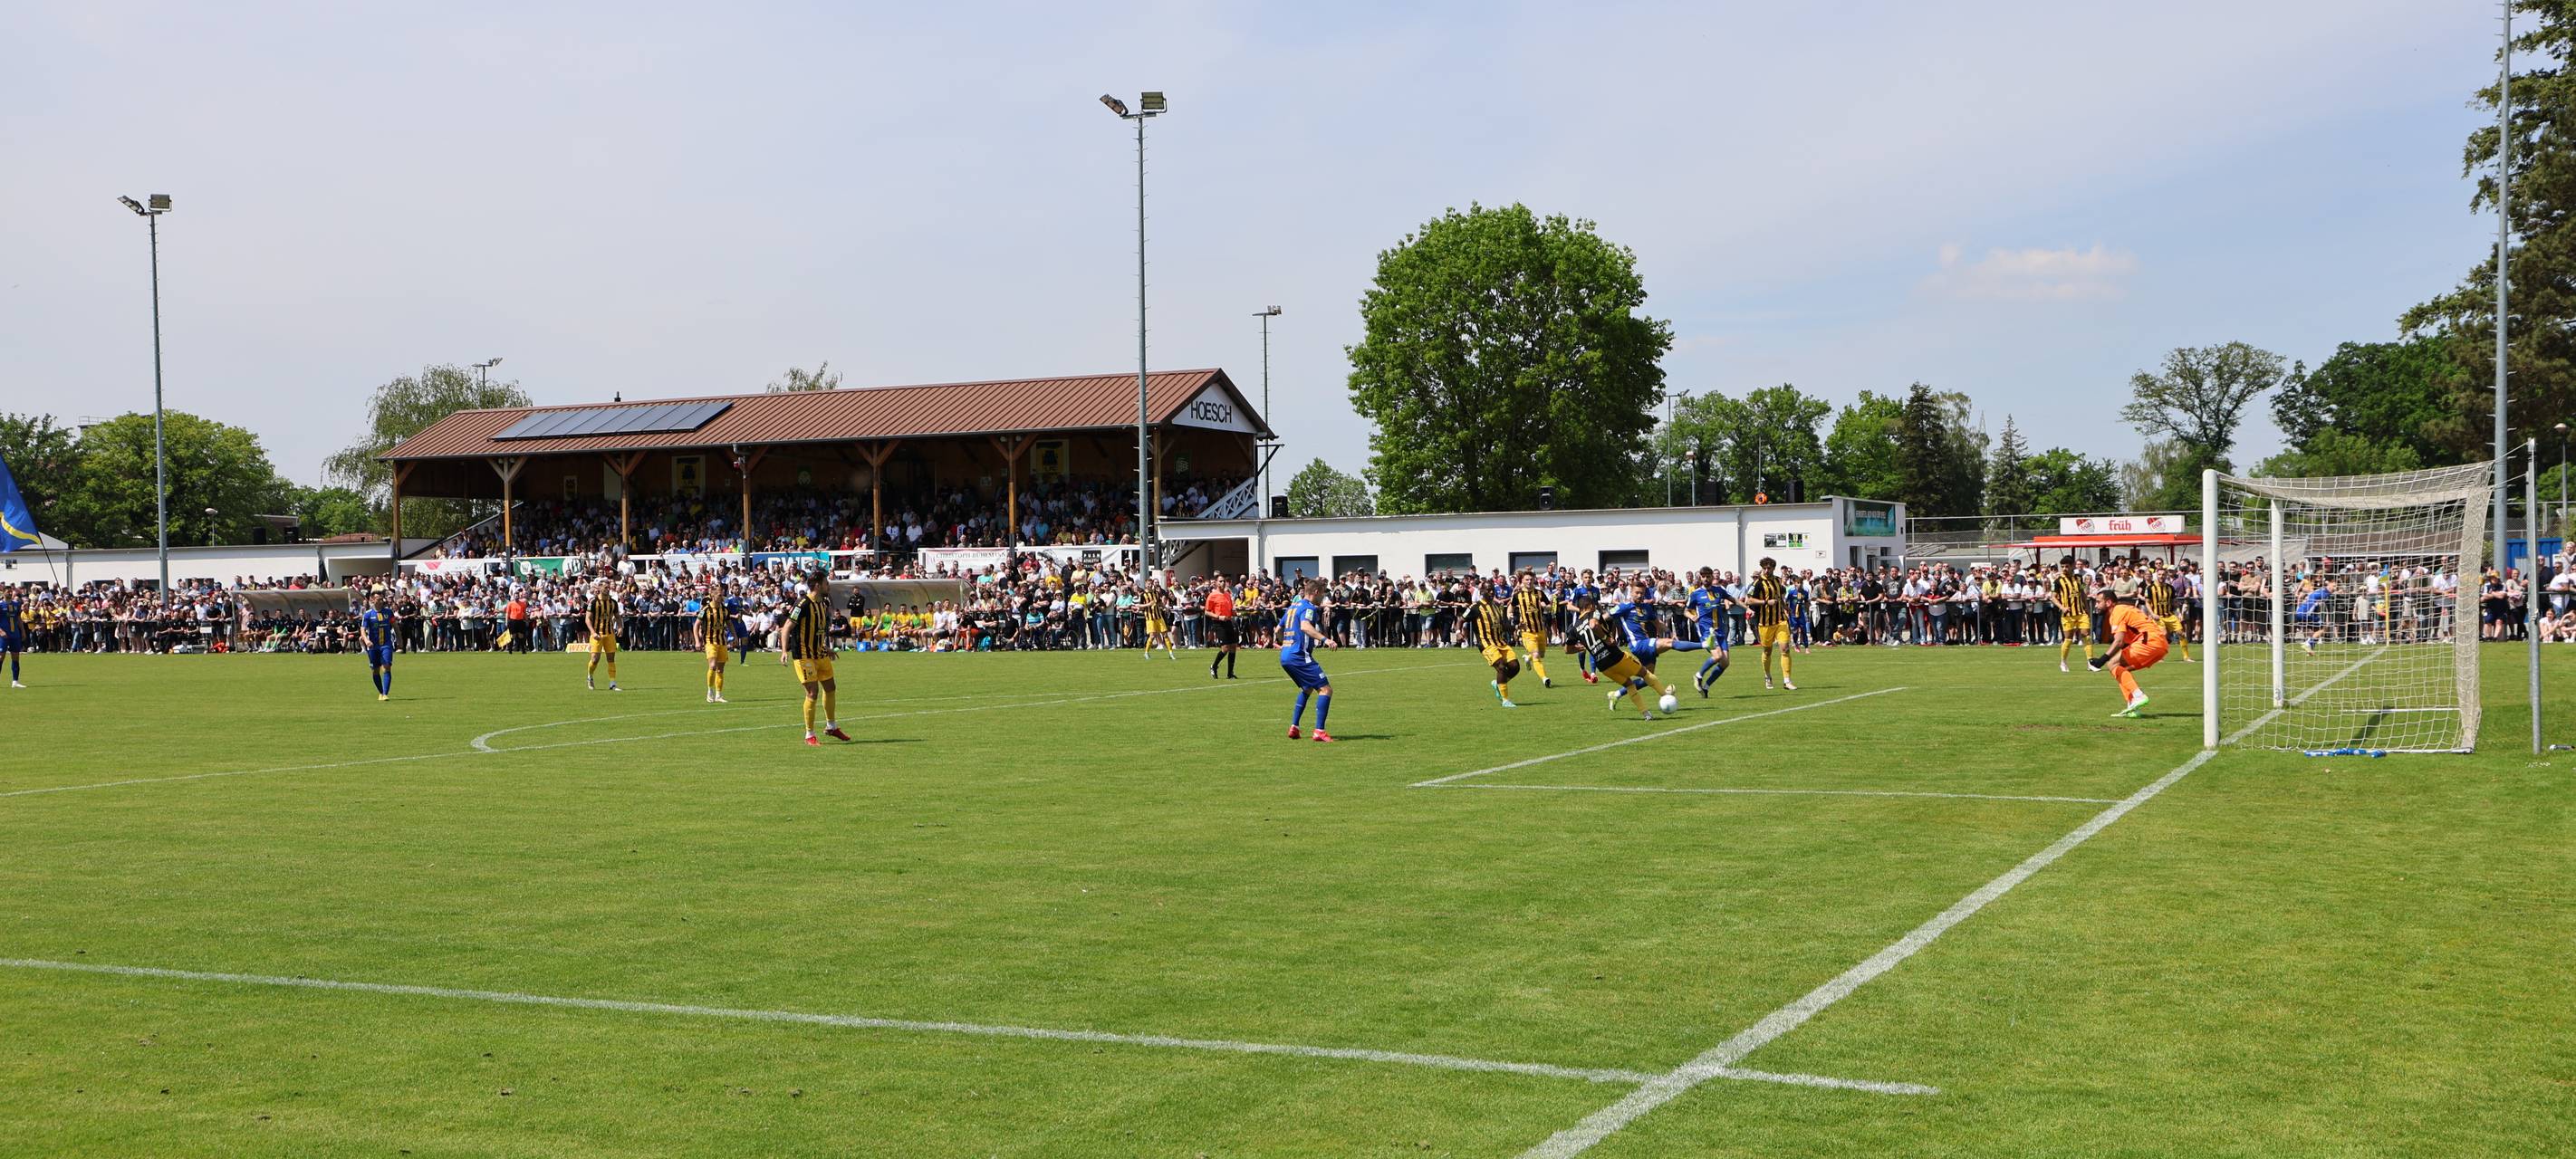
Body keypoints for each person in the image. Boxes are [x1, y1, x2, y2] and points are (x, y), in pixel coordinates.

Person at [780, 567, 851, 745]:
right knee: (812, 692)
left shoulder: (823, 603)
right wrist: (784, 651)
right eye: (826, 583)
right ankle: (809, 735)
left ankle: (831, 727)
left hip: (820, 652)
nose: (829, 586)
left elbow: (817, 630)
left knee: (831, 687)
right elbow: (786, 627)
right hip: (804, 655)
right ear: (818, 585)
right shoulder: (802, 604)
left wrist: (826, 648)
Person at [1571, 592, 1658, 721]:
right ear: (1590, 606)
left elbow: (1567, 649)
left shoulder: (1574, 627)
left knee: (1629, 684)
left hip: (1603, 666)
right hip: (1615, 656)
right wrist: (1606, 638)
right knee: (1646, 674)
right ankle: (1666, 695)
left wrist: (1581, 648)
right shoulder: (1594, 613)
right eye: (1594, 605)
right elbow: (1594, 625)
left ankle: (1645, 713)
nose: (1595, 607)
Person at [2091, 580, 2169, 717]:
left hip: (2149, 642)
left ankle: (2138, 696)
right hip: (2160, 645)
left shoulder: (2117, 612)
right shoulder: (2124, 609)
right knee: (2120, 670)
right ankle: (2133, 707)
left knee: (2112, 664)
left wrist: (2101, 660)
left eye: (2098, 602)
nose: (2096, 605)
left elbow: (2119, 641)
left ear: (2108, 602)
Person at [1281, 577, 1337, 742]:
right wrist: (1325, 639)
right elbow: (1305, 626)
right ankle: (1319, 731)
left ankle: (1294, 727)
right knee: (1326, 690)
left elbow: (1278, 629)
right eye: (1322, 594)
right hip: (1299, 656)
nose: (1323, 598)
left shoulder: (1292, 607)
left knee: (1307, 687)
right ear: (1316, 592)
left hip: (1285, 655)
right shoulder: (1309, 607)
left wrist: (1286, 643)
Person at [1746, 557, 1796, 691]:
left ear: (1774, 568)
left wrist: (1785, 607)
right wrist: (1765, 602)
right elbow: (1749, 600)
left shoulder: (1777, 581)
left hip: (1780, 620)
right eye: (1764, 568)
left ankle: (1787, 681)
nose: (1767, 570)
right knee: (1767, 651)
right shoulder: (1757, 583)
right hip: (1765, 623)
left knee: (1785, 649)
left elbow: (1779, 597)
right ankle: (1767, 676)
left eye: (1769, 568)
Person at [1470, 584, 1521, 708]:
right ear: (1482, 591)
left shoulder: (1497, 606)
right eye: (1488, 590)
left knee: (1515, 667)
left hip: (1501, 643)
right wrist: (1458, 632)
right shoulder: (1475, 607)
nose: (1491, 592)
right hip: (1486, 644)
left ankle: (1497, 683)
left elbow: (1504, 626)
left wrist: (1516, 627)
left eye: (1493, 590)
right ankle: (1505, 700)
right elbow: (1461, 620)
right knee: (1501, 667)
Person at [1687, 569, 1732, 696]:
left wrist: (1747, 608)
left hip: (1720, 631)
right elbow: (1686, 610)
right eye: (1703, 576)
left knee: (1725, 663)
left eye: (1708, 576)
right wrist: (1692, 616)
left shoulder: (1719, 590)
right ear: (1700, 578)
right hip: (1707, 631)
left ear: (1712, 577)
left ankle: (1706, 687)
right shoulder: (1696, 594)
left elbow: (1733, 599)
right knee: (1717, 656)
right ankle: (1698, 675)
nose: (1706, 579)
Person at [1508, 572, 1555, 688]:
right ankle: (1545, 678)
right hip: (1527, 632)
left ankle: (1527, 657)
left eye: (1531, 579)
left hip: (1540, 630)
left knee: (1541, 654)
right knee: (1536, 655)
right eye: (1527, 580)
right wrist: (1509, 614)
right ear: (1522, 581)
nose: (1529, 582)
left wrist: (1546, 606)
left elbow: (1550, 607)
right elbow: (1511, 606)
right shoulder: (1518, 595)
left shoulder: (1539, 593)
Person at [2144, 565, 2196, 663]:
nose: (2161, 576)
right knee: (2163, 634)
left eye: (2163, 574)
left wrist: (2179, 612)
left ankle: (2186, 656)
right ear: (2156, 575)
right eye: (2159, 574)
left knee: (2181, 634)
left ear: (2166, 575)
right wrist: (2152, 614)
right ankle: (2160, 657)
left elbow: (2174, 602)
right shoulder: (2150, 588)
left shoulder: (2170, 588)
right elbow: (2147, 602)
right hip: (2158, 616)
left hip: (2170, 615)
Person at [2052, 556, 2094, 674]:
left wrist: (2087, 608)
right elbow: (2053, 597)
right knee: (2068, 639)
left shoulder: (2079, 578)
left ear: (2072, 566)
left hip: (2081, 613)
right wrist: (2062, 608)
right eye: (2063, 566)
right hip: (2068, 614)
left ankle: (2090, 662)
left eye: (2067, 566)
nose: (2064, 569)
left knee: (2086, 636)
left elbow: (2083, 593)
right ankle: (2063, 662)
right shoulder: (2058, 581)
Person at [698, 580, 735, 704]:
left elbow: (729, 623)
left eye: (722, 594)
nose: (721, 597)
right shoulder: (706, 609)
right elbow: (696, 624)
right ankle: (710, 691)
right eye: (719, 595)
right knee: (713, 666)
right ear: (713, 595)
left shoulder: (724, 610)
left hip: (722, 642)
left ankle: (719, 695)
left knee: (720, 669)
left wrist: (735, 636)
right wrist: (697, 641)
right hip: (710, 641)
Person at [584, 580, 622, 692]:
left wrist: (620, 627)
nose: (608, 589)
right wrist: (593, 632)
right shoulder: (593, 602)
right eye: (606, 587)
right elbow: (587, 619)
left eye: (608, 587)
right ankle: (590, 676)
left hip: (609, 634)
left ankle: (612, 683)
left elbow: (617, 616)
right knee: (595, 659)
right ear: (600, 588)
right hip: (597, 634)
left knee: (611, 659)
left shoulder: (613, 602)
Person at [360, 592, 395, 702]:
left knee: (387, 666)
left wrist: (399, 639)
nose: (380, 601)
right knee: (375, 670)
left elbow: (395, 626)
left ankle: (385, 694)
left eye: (381, 599)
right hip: (373, 647)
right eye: (378, 599)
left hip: (386, 645)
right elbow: (362, 630)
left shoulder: (389, 612)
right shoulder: (368, 614)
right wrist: (366, 640)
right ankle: (381, 692)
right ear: (372, 600)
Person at [1205, 577, 1240, 679]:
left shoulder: (1227, 594)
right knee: (1225, 648)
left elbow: (1230, 610)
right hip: (1218, 623)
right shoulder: (1212, 595)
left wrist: (1234, 613)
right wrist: (1218, 617)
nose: (1223, 583)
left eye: (1224, 581)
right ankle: (1214, 666)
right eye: (1220, 581)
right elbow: (1207, 612)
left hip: (1228, 621)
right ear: (1216, 583)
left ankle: (1230, 673)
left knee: (1233, 646)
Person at [1142, 581, 1178, 660]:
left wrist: (1165, 607)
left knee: (1165, 634)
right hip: (1150, 618)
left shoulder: (1156, 593)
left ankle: (1171, 653)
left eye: (1151, 584)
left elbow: (1160, 602)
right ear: (1146, 585)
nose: (1150, 585)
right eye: (1148, 584)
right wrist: (1148, 604)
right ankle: (1146, 652)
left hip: (1159, 617)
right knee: (1152, 636)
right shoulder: (1143, 595)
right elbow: (1139, 606)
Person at [0, 583, 24, 688]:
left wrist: (23, 631)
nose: (10, 593)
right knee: (1, 657)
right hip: (3, 636)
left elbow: (18, 619)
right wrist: (1, 631)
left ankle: (15, 681)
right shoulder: (0, 605)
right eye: (8, 591)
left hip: (15, 635)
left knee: (16, 657)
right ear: (3, 593)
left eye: (11, 591)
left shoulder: (16, 604)